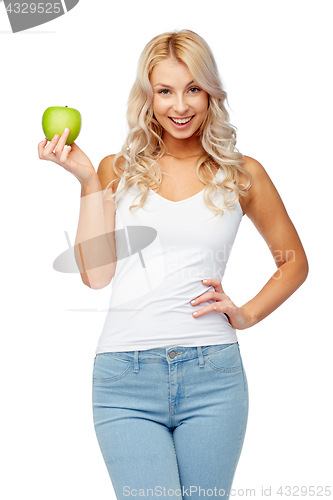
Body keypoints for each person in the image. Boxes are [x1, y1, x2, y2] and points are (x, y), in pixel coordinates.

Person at [38, 29, 308, 500]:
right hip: (125, 376)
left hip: (214, 376)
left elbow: (293, 263)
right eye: (165, 91)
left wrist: (244, 314)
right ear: (148, 97)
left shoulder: (242, 173)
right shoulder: (116, 169)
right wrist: (85, 182)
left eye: (193, 89)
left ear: (210, 94)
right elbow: (96, 276)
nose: (180, 106)